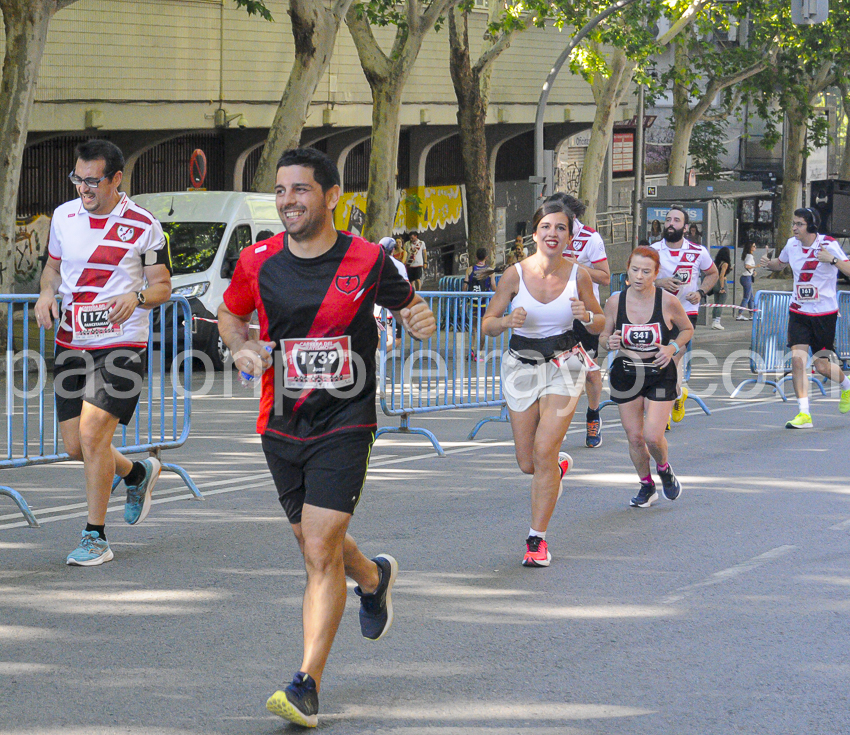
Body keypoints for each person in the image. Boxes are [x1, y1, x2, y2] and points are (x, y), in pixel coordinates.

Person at [216, 147, 435, 728]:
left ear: (332, 195)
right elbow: (230, 314)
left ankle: (306, 683)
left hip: (347, 418)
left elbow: (413, 308)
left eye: (301, 189)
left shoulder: (367, 260)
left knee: (318, 550)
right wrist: (240, 346)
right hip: (280, 421)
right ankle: (374, 577)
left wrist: (420, 319)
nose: (288, 200)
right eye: (282, 190)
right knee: (318, 545)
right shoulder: (257, 261)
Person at [34, 139, 172, 566]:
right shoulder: (62, 216)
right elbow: (53, 270)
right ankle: (137, 472)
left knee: (95, 436)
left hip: (121, 343)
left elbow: (163, 287)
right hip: (71, 341)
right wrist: (44, 295)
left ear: (116, 179)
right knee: (77, 446)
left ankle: (95, 537)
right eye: (78, 179)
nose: (84, 188)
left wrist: (138, 297)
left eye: (93, 181)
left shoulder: (145, 224)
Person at [482, 199, 604, 568]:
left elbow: (599, 322)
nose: (553, 234)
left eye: (561, 228)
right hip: (521, 366)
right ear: (535, 234)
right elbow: (486, 325)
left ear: (570, 236)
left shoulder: (579, 275)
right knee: (528, 461)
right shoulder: (514, 274)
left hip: (564, 365)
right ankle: (555, 466)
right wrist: (505, 322)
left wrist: (588, 316)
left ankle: (537, 540)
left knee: (545, 448)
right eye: (546, 227)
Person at [599, 246, 693, 507]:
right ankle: (646, 485)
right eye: (635, 270)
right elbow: (604, 337)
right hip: (627, 373)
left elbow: (687, 329)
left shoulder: (667, 301)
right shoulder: (615, 302)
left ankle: (663, 468)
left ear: (656, 274)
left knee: (653, 436)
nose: (639, 276)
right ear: (628, 270)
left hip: (659, 372)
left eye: (646, 271)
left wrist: (672, 347)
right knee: (635, 437)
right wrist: (610, 341)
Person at [759, 207, 850, 429]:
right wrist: (767, 263)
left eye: (799, 224)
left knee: (821, 366)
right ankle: (804, 413)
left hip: (824, 313)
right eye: (793, 223)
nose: (794, 228)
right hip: (798, 311)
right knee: (798, 359)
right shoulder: (791, 244)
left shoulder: (828, 243)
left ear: (811, 225)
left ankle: (847, 386)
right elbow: (779, 264)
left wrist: (833, 260)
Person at [546, 192, 611, 449]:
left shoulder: (590, 238)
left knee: (589, 374)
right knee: (561, 372)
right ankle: (555, 426)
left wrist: (574, 265)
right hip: (554, 314)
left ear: (572, 217)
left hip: (584, 315)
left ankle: (593, 414)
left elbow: (605, 277)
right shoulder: (549, 235)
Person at [651, 206, 718, 424]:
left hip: (685, 314)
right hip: (657, 312)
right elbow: (633, 278)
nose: (671, 223)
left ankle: (664, 415)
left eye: (676, 220)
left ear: (686, 227)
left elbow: (713, 273)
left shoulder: (698, 251)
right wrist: (658, 282)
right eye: (668, 219)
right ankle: (678, 394)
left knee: (672, 358)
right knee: (661, 360)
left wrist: (700, 292)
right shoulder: (652, 251)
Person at [465, 247, 497, 361]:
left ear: (475, 257)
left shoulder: (470, 269)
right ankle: (478, 353)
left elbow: (465, 286)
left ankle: (472, 350)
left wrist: (464, 296)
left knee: (473, 328)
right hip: (484, 303)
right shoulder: (490, 270)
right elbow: (493, 286)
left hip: (472, 303)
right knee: (483, 329)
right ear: (486, 258)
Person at [377, 236, 408, 349]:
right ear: (393, 250)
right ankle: (378, 356)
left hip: (376, 310)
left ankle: (376, 357)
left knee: (379, 336)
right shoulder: (398, 265)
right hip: (393, 310)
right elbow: (405, 287)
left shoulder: (374, 262)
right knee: (396, 339)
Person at [708, 246, 731, 329]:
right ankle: (717, 321)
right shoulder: (725, 263)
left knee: (716, 303)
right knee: (721, 303)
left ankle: (714, 321)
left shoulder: (716, 262)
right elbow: (721, 275)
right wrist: (722, 287)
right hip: (721, 283)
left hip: (715, 283)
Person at [736, 240, 756, 321]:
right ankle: (740, 314)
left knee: (750, 297)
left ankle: (751, 314)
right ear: (750, 248)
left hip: (747, 277)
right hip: (746, 277)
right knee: (747, 297)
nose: (755, 247)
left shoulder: (748, 255)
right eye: (754, 246)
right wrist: (756, 266)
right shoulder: (749, 256)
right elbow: (747, 266)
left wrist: (753, 271)